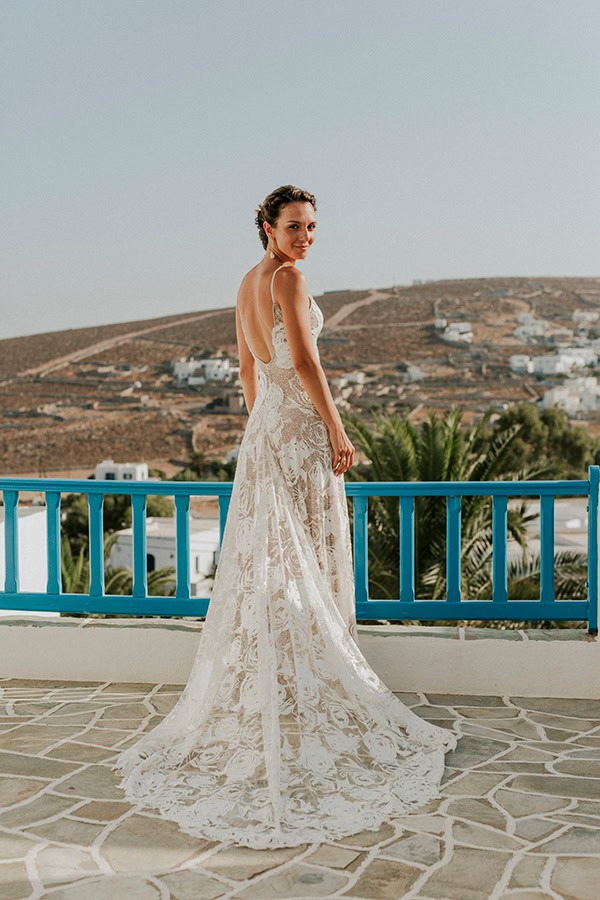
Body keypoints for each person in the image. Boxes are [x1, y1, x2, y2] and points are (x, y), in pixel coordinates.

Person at [113, 184, 458, 849]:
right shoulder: (289, 278)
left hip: (264, 433)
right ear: (268, 229)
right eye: (295, 226)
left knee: (271, 558)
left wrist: (260, 427)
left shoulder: (246, 281)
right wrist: (336, 431)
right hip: (296, 433)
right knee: (306, 554)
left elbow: (247, 366)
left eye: (312, 228)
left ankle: (287, 695)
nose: (306, 238)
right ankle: (313, 691)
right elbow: (303, 360)